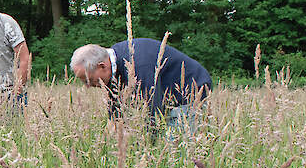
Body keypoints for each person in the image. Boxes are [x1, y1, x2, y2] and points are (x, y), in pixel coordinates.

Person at [70, 39, 213, 134]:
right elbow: (116, 112)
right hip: (165, 95)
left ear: (102, 66)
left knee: (174, 149)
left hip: (191, 91)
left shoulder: (138, 65)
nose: (87, 86)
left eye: (88, 80)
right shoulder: (111, 69)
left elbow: (153, 113)